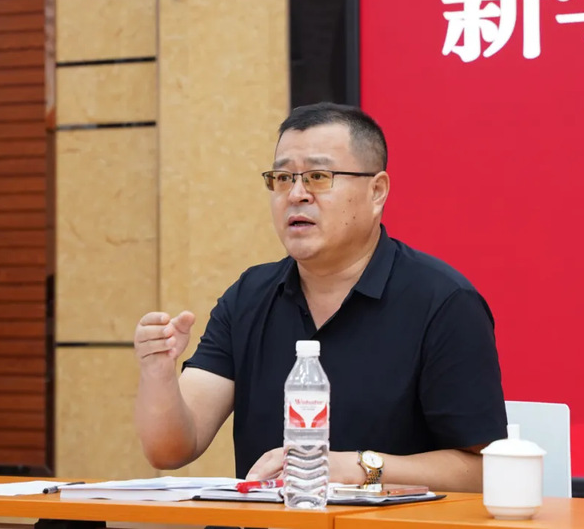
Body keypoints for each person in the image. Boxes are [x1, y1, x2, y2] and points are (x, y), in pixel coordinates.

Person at [134, 102, 506, 493]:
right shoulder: (248, 297)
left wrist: (359, 468)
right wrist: (158, 372)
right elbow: (170, 450)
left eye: (317, 176)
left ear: (377, 191)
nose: (296, 194)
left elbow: (484, 472)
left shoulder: (443, 302)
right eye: (282, 178)